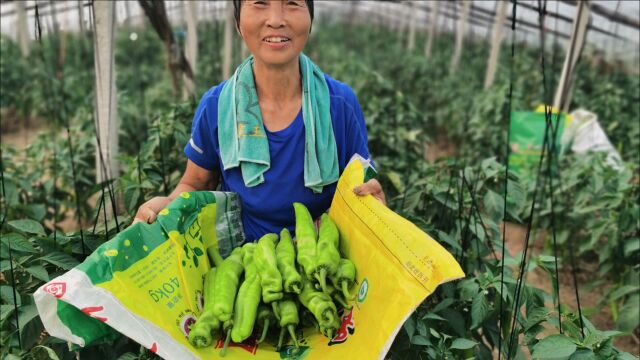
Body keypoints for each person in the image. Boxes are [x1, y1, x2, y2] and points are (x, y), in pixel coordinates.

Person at [134, 0, 385, 241]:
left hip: (324, 256)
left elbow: (362, 189)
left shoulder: (339, 104)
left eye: (293, 3)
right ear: (238, 22)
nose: (276, 20)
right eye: (259, 2)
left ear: (310, 19)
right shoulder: (217, 106)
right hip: (242, 261)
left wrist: (374, 204)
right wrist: (167, 204)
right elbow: (195, 183)